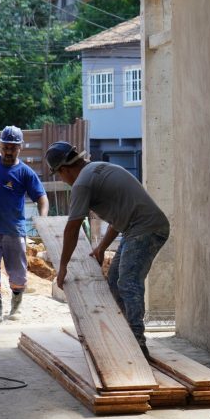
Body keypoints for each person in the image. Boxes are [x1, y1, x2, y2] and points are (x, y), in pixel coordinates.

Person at [44, 141, 169, 358]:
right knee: (114, 280)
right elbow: (118, 217)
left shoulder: (82, 183)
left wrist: (62, 267)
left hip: (145, 229)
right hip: (138, 228)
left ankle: (137, 343)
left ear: (63, 170)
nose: (62, 180)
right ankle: (126, 334)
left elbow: (72, 228)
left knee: (128, 282)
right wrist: (101, 247)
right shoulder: (99, 169)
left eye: (59, 175)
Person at [0, 126, 49, 327]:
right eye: (5, 147)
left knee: (17, 271)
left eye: (12, 148)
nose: (8, 151)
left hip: (14, 231)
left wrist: (43, 220)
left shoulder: (25, 173)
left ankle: (16, 306)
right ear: (0, 145)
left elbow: (42, 197)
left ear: (20, 148)